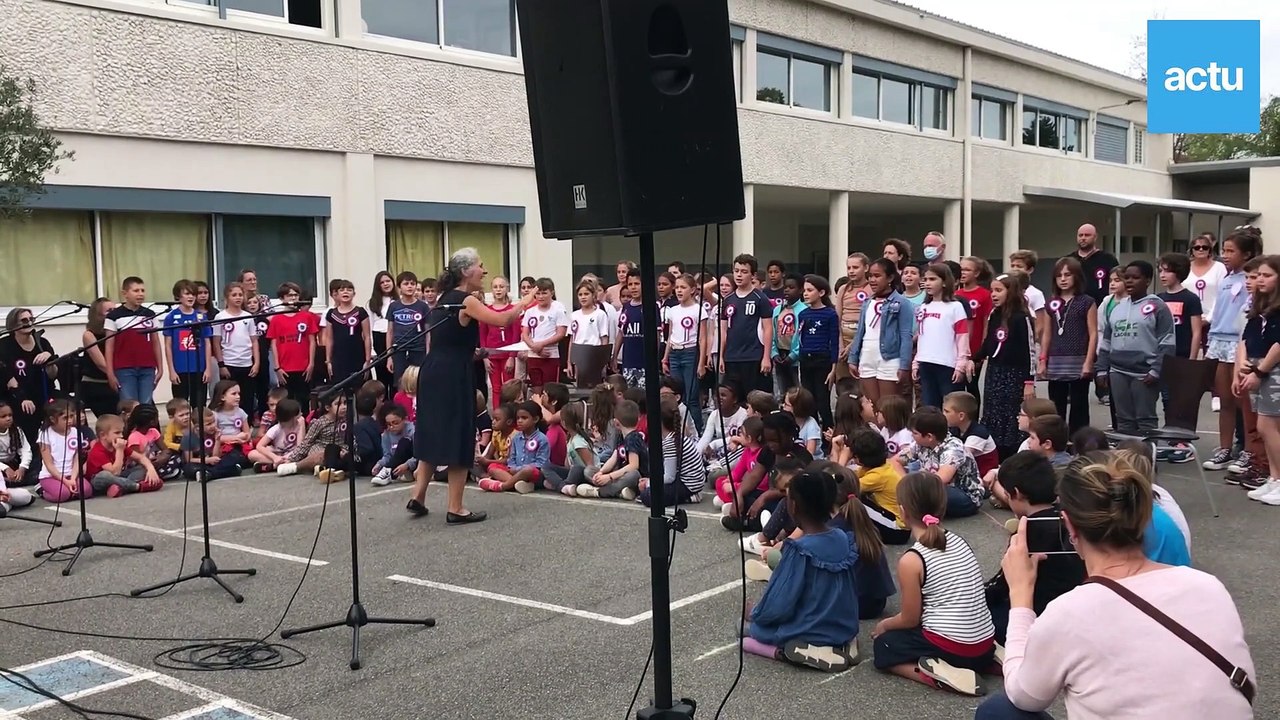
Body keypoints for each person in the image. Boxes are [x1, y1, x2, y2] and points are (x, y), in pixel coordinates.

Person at [976, 454, 1255, 720]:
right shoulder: (1209, 587)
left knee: (998, 710)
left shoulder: (1070, 613)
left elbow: (1023, 695)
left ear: (1070, 526)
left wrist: (1021, 596)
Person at [407, 247, 535, 523]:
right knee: (459, 434)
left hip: (432, 370)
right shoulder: (465, 300)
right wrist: (525, 302)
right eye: (480, 265)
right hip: (454, 372)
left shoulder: (442, 299)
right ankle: (456, 507)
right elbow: (501, 319)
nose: (484, 271)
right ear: (466, 271)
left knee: (431, 430)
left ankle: (418, 495)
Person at [873, 471, 995, 697]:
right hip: (984, 643)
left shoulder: (912, 559)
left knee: (885, 646)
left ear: (902, 512)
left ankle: (934, 674)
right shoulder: (958, 540)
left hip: (954, 649)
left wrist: (885, 625)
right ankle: (988, 662)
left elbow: (910, 619)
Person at [742, 470, 863, 673]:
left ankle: (790, 651)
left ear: (794, 506)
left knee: (746, 631)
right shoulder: (843, 538)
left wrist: (755, 613)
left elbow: (781, 601)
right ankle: (844, 644)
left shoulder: (798, 549)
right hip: (843, 625)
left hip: (811, 628)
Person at [983, 452, 1085, 644]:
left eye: (1006, 494)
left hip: (1037, 616)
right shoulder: (1070, 519)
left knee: (980, 619)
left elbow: (1003, 585)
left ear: (1017, 493)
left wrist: (975, 595)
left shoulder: (1025, 535)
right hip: (1074, 612)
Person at [1096, 261, 1175, 436]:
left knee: (1145, 420)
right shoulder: (1117, 308)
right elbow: (1107, 341)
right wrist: (1101, 369)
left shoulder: (1158, 306)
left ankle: (1147, 460)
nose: (1130, 281)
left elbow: (1167, 342)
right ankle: (1127, 461)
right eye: (1127, 278)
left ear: (1147, 280)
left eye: (1135, 277)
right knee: (1124, 421)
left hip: (1144, 374)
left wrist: (1156, 370)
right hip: (1118, 372)